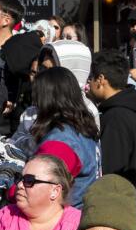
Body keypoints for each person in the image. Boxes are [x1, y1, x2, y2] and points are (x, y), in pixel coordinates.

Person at [13, 66, 101, 206]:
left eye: (37, 97)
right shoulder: (84, 127)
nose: (35, 104)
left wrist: (8, 191)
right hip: (85, 211)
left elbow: (37, 188)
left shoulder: (60, 140)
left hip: (64, 218)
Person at [88, 51, 136, 198]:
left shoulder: (115, 117)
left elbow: (110, 169)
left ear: (101, 79)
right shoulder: (134, 107)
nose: (88, 83)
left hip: (117, 202)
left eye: (91, 78)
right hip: (133, 196)